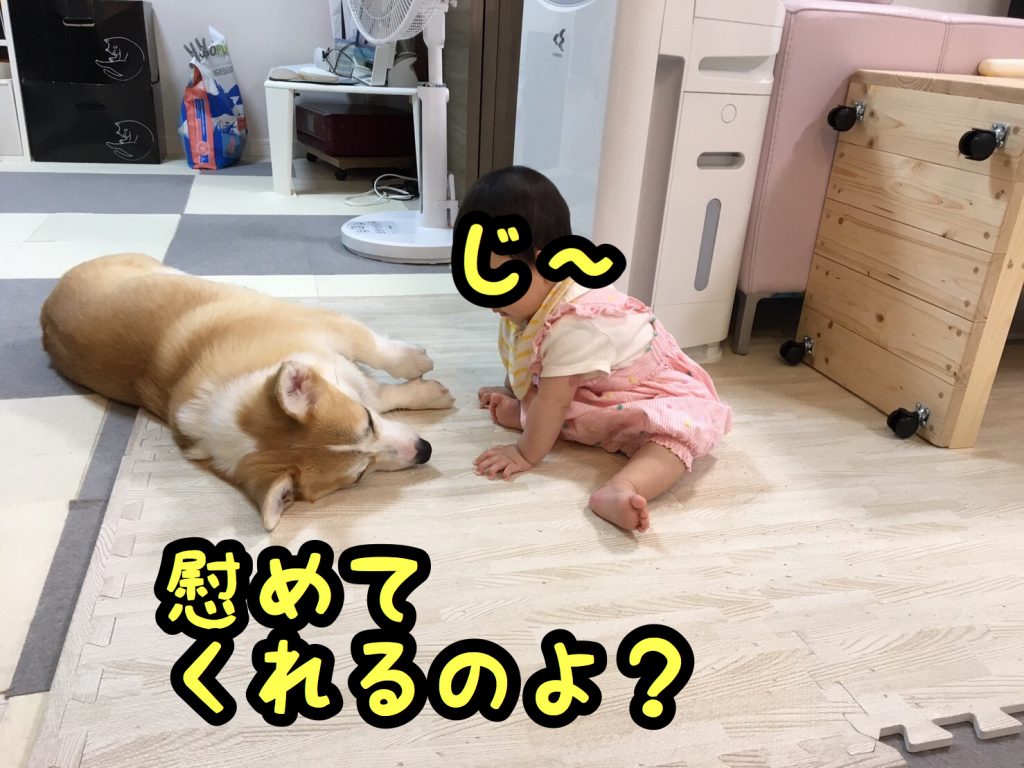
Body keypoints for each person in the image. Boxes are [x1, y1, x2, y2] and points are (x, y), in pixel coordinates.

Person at [464, 166, 732, 533]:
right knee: (550, 400)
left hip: (653, 389)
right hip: (598, 386)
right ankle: (530, 413)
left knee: (676, 437)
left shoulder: (574, 323)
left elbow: (555, 402)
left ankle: (624, 487)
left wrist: (525, 452)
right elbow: (525, 352)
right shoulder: (528, 302)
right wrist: (516, 389)